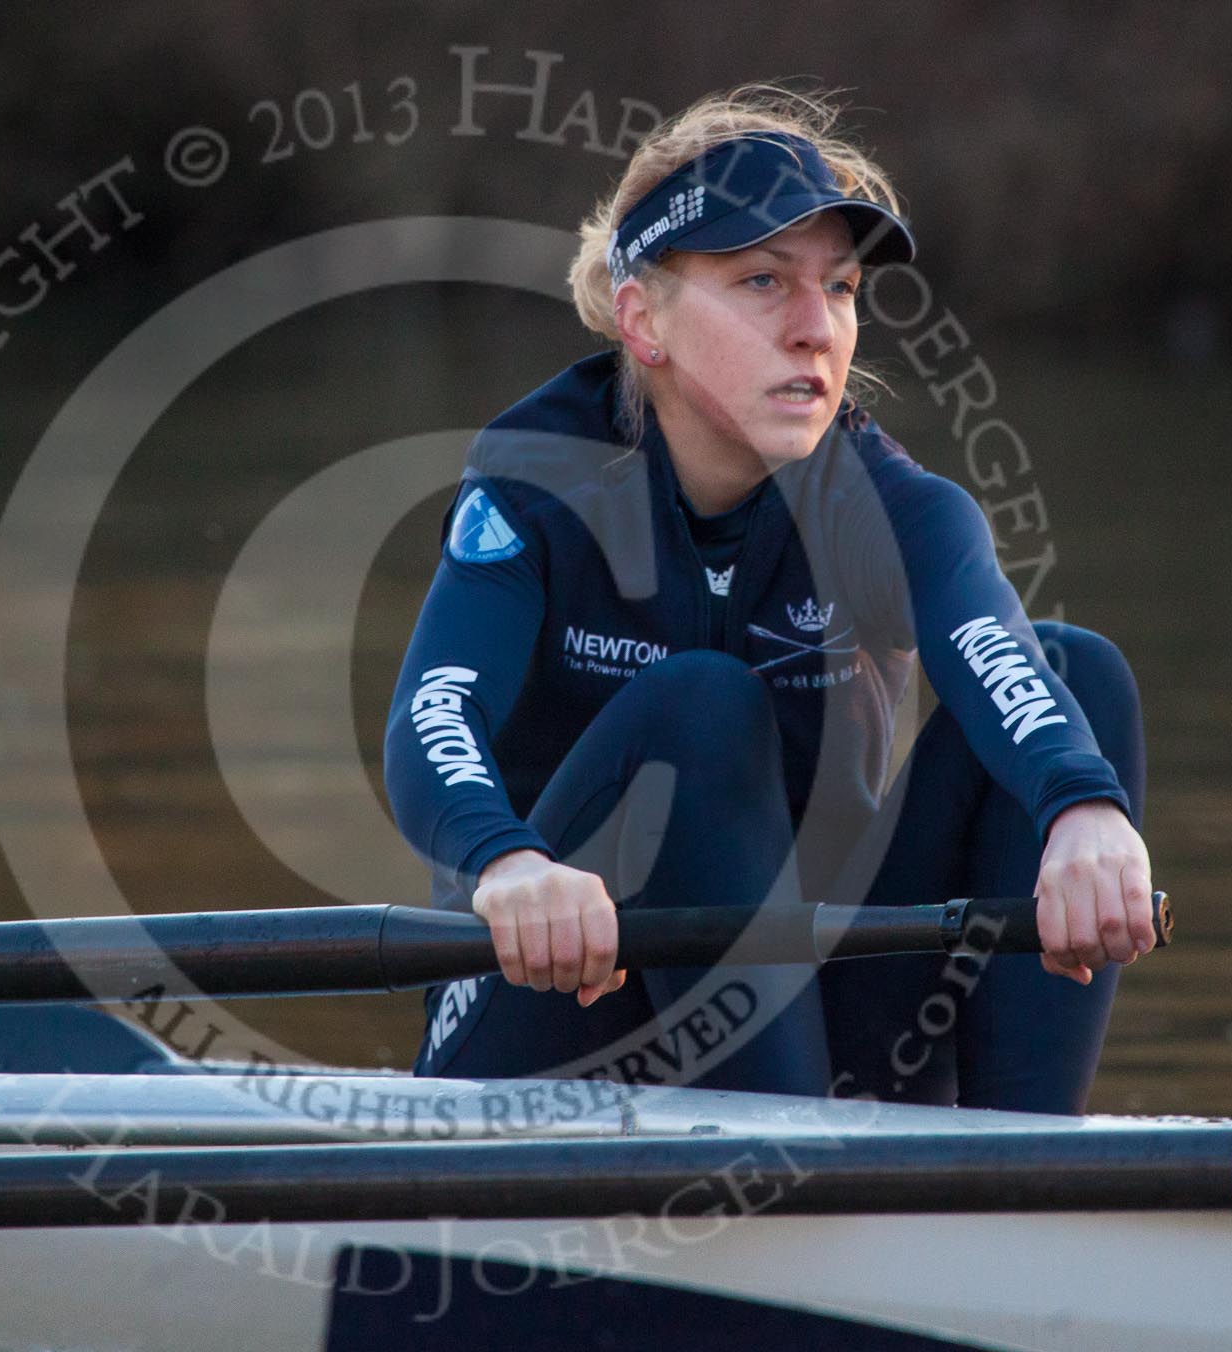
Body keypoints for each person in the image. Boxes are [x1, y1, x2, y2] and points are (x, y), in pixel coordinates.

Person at [382, 85, 1155, 1114]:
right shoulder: (540, 480)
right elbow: (430, 714)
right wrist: (507, 857)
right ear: (642, 318)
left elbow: (998, 656)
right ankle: (804, 1177)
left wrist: (1084, 807)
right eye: (761, 280)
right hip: (555, 1020)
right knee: (701, 706)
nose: (815, 329)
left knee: (1078, 678)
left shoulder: (888, 503)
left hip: (820, 1035)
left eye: (837, 288)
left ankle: (1030, 1180)